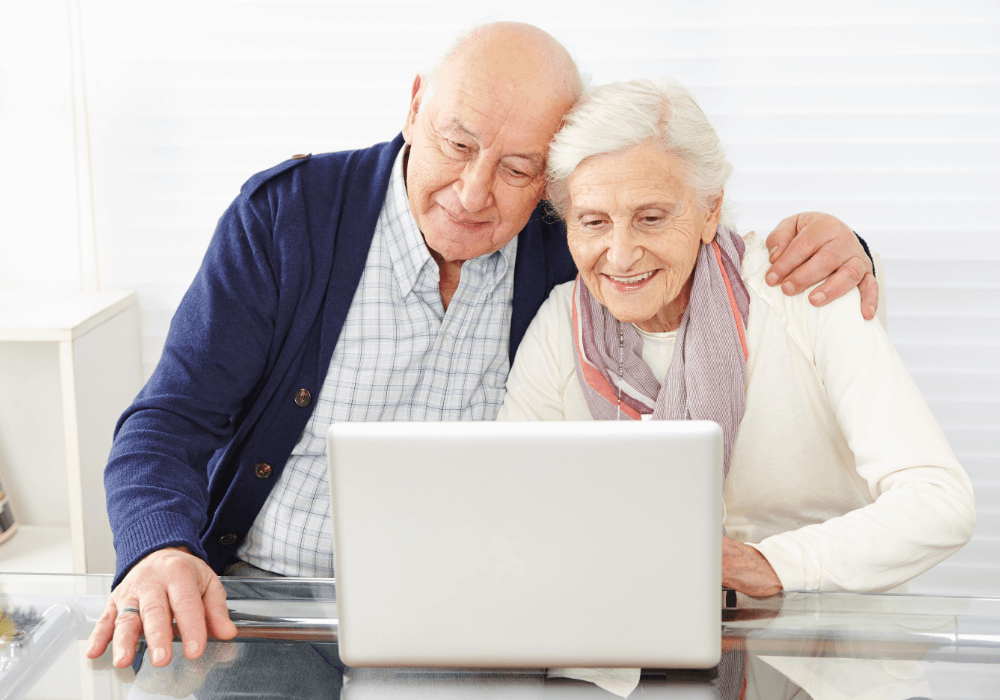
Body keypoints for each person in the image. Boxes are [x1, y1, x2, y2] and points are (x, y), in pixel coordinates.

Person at [87, 23, 880, 670]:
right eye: (458, 144)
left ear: (555, 182)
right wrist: (157, 549)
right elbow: (167, 424)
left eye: (517, 169)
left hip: (477, 618)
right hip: (270, 601)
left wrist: (841, 247)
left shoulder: (566, 245)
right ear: (414, 105)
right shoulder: (288, 219)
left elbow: (683, 242)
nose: (473, 194)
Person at [498, 77, 975, 600]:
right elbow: (515, 514)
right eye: (593, 222)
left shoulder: (803, 288)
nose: (620, 254)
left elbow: (939, 502)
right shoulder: (558, 325)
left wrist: (771, 565)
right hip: (628, 659)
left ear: (709, 210)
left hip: (822, 659)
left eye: (651, 218)